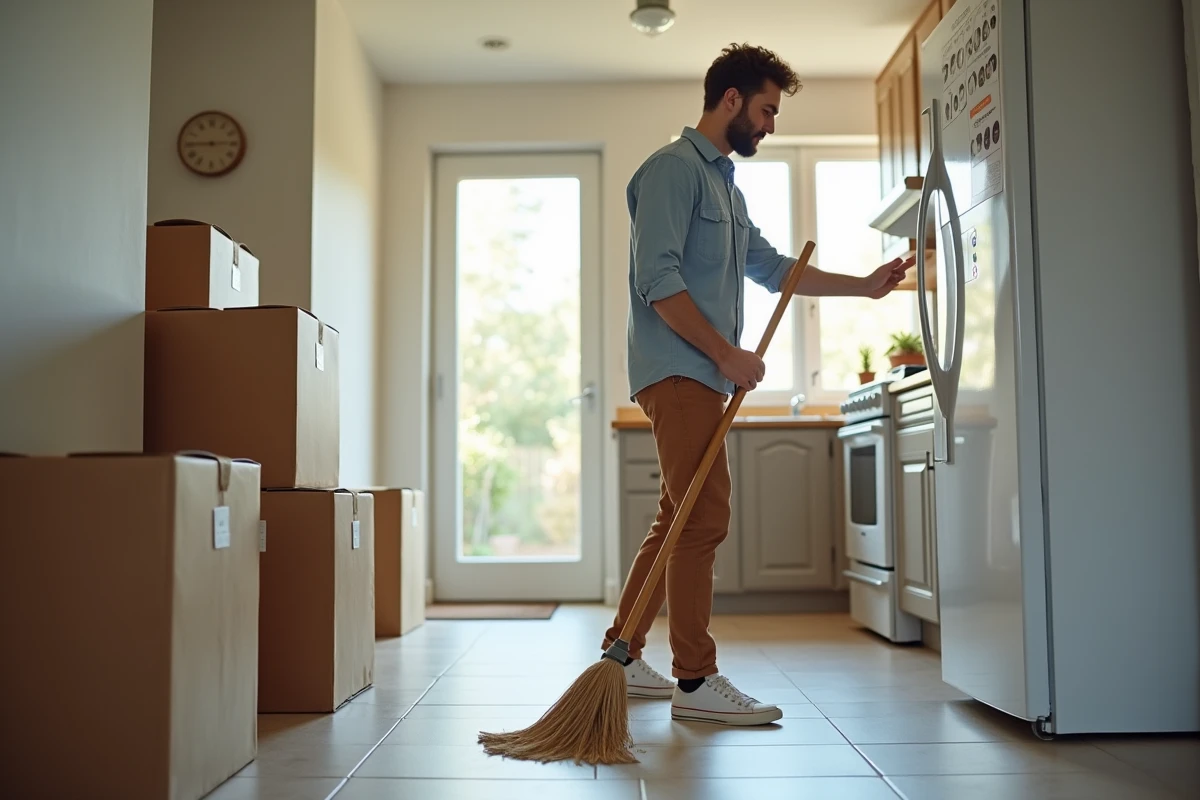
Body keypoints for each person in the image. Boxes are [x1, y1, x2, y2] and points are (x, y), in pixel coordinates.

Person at [603, 43, 914, 726]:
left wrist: (864, 288)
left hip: (700, 374)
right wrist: (727, 353)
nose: (771, 126)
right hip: (682, 369)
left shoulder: (725, 187)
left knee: (677, 518)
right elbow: (657, 281)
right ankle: (695, 680)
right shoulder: (672, 171)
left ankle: (620, 659)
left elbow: (775, 270)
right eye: (769, 110)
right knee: (704, 516)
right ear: (733, 99)